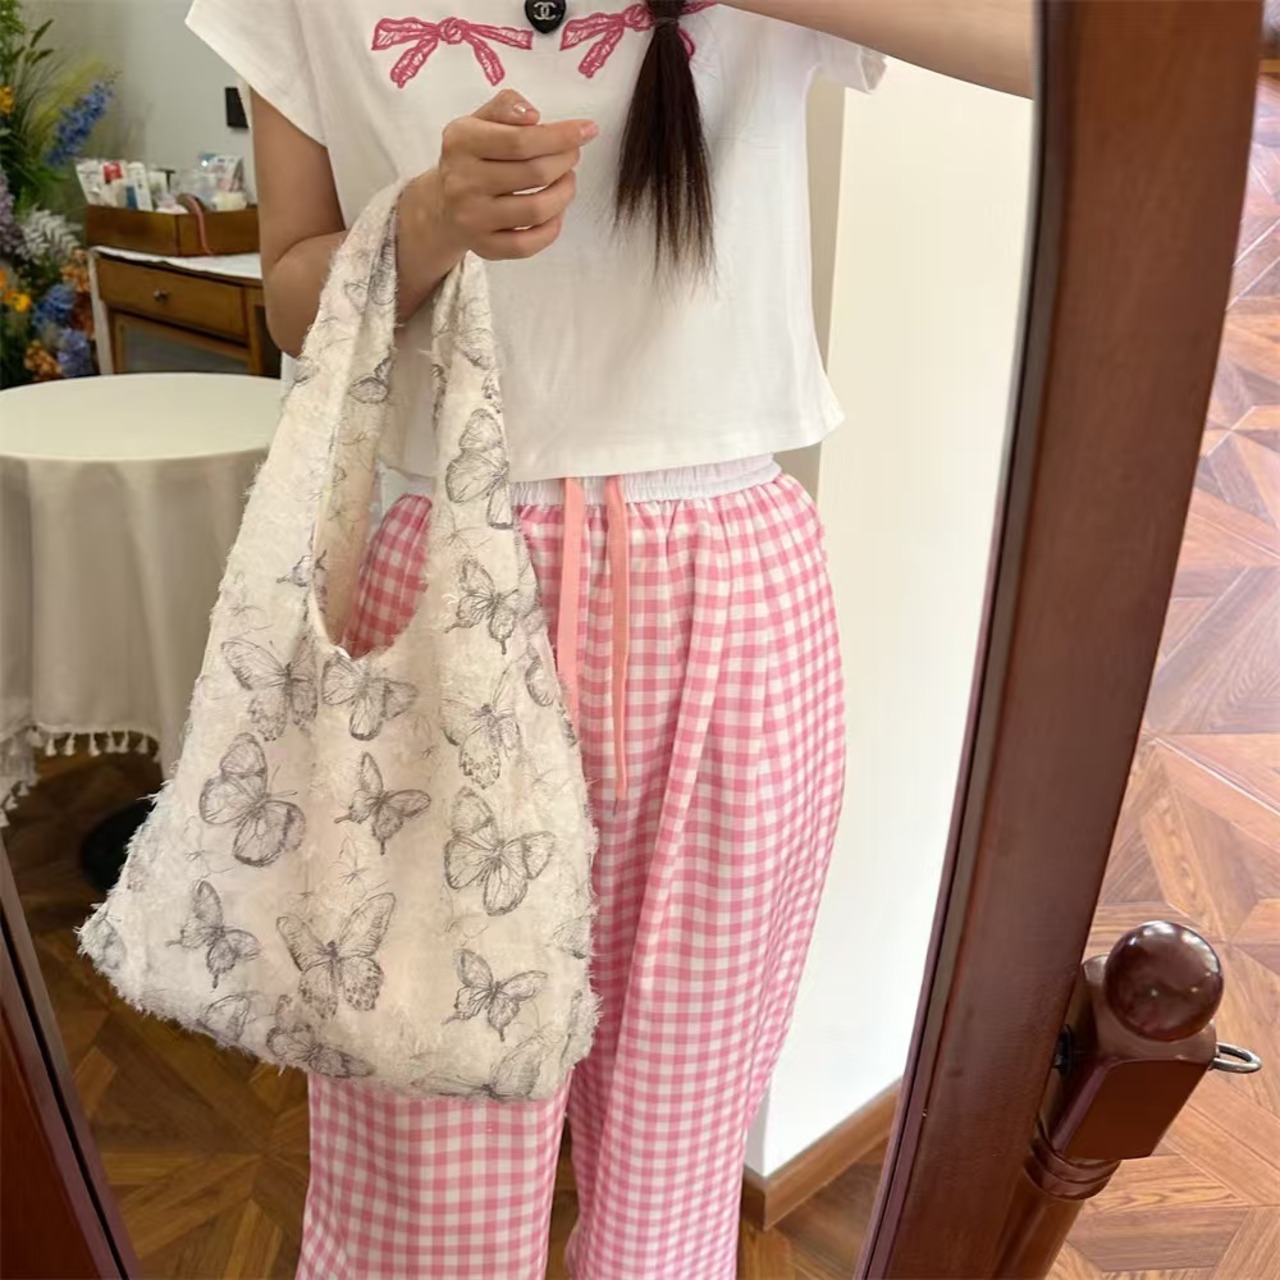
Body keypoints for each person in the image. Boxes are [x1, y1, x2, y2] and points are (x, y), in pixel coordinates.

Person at [185, 3, 1032, 1276]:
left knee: (678, 1164)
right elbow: (296, 296)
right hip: (439, 575)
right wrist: (428, 220)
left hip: (730, 588)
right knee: (420, 1153)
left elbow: (1074, 53)